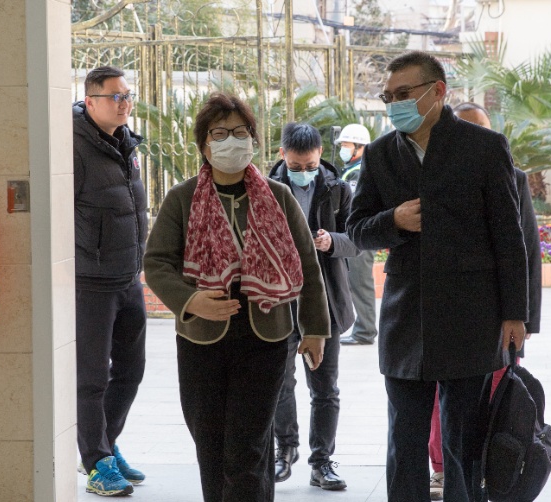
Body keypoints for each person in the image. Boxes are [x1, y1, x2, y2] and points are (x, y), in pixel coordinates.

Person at [346, 51, 529, 502]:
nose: (394, 104)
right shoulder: (379, 154)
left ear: (437, 91)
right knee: (404, 440)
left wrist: (515, 313)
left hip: (471, 317)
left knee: (463, 443)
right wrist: (393, 220)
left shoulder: (484, 147)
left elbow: (509, 237)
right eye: (388, 97)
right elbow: (357, 229)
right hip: (405, 317)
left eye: (403, 94)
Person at [143, 93, 330, 502]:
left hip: (265, 336)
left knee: (246, 448)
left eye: (241, 132)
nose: (232, 140)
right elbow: (156, 263)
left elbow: (306, 264)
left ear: (254, 140)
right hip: (201, 337)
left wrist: (315, 329)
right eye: (220, 133)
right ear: (204, 145)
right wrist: (191, 301)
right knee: (211, 447)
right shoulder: (182, 198)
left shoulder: (278, 196)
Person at [426, 102, 543, 501]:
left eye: (483, 130)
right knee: (444, 400)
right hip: (447, 315)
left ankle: (494, 469)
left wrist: (525, 318)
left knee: (498, 398)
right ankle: (443, 469)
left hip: (498, 319)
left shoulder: (515, 178)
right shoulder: (432, 177)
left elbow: (527, 252)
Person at [268, 122, 358, 491]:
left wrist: (331, 241)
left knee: (324, 387)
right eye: (296, 166)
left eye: (310, 166)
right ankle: (285, 450)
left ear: (321, 154)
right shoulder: (265, 189)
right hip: (280, 302)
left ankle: (322, 462)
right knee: (279, 382)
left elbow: (356, 238)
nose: (303, 172)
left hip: (327, 301)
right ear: (282, 155)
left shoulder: (338, 189)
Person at [73, 66, 148, 497]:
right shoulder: (74, 146)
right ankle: (97, 463)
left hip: (129, 277)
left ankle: (106, 442)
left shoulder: (126, 142)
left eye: (127, 95)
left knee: (132, 371)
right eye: (116, 96)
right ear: (91, 100)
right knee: (92, 378)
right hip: (91, 282)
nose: (125, 103)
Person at [335, 123, 379, 346]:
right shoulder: (353, 168)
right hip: (357, 235)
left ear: (359, 147)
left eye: (346, 145)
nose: (343, 149)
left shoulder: (359, 171)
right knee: (355, 282)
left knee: (360, 283)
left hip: (360, 236)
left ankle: (365, 331)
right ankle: (363, 329)